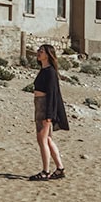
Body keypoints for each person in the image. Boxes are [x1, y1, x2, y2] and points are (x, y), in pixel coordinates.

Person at [29, 43, 69, 180]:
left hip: (45, 108)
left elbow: (53, 94)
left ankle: (45, 171)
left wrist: (49, 115)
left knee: (42, 139)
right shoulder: (44, 70)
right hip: (40, 106)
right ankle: (60, 168)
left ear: (48, 54)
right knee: (47, 139)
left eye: (41, 51)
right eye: (38, 50)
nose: (38, 53)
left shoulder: (51, 72)